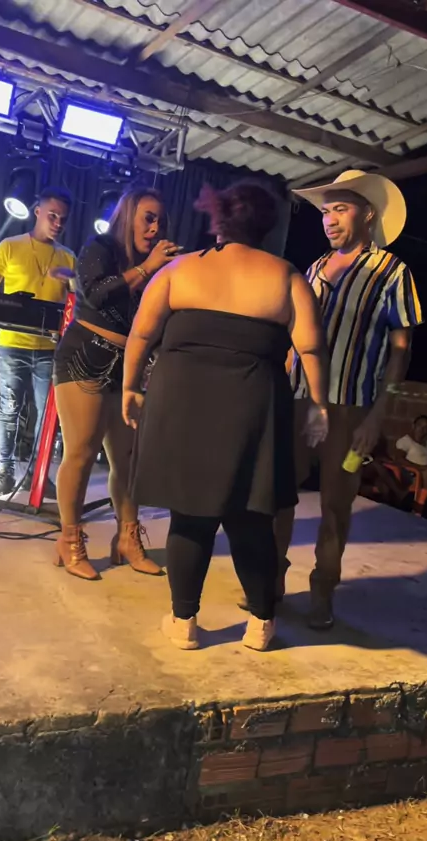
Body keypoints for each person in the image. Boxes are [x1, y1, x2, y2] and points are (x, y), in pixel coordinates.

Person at [122, 181, 329, 652]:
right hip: (252, 406)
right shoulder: (286, 276)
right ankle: (261, 624)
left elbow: (141, 335)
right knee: (251, 518)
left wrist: (131, 387)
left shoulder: (178, 270)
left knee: (189, 515)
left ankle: (184, 623)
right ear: (267, 225)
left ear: (218, 220)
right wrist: (318, 405)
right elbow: (312, 348)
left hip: (182, 403)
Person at [274, 169, 423, 631]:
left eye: (340, 209)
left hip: (352, 409)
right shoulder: (315, 267)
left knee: (336, 504)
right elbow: (295, 338)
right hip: (300, 401)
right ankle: (270, 582)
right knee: (279, 494)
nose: (330, 219)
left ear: (368, 214)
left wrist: (377, 416)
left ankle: (323, 591)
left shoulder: (392, 271)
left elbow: (401, 350)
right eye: (325, 211)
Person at [53, 187, 180, 581]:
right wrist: (145, 269)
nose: (155, 227)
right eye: (148, 218)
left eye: (160, 220)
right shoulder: (101, 246)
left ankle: (128, 538)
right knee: (81, 452)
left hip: (129, 367)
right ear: (128, 216)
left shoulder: (157, 267)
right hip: (86, 356)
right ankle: (70, 540)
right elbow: (94, 294)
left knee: (127, 459)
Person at [0, 187, 75, 499]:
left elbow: (78, 302)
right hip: (12, 343)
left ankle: (38, 474)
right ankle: (4, 472)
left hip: (49, 347)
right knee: (9, 408)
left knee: (47, 414)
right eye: (52, 216)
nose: (58, 223)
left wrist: (72, 280)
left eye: (63, 218)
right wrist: (1, 307)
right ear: (37, 212)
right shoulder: (10, 246)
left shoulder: (68, 256)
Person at [395, 415, 427, 491]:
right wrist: (421, 468)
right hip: (415, 478)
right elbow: (399, 460)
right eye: (419, 426)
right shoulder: (406, 441)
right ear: (413, 426)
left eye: (426, 428)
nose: (422, 430)